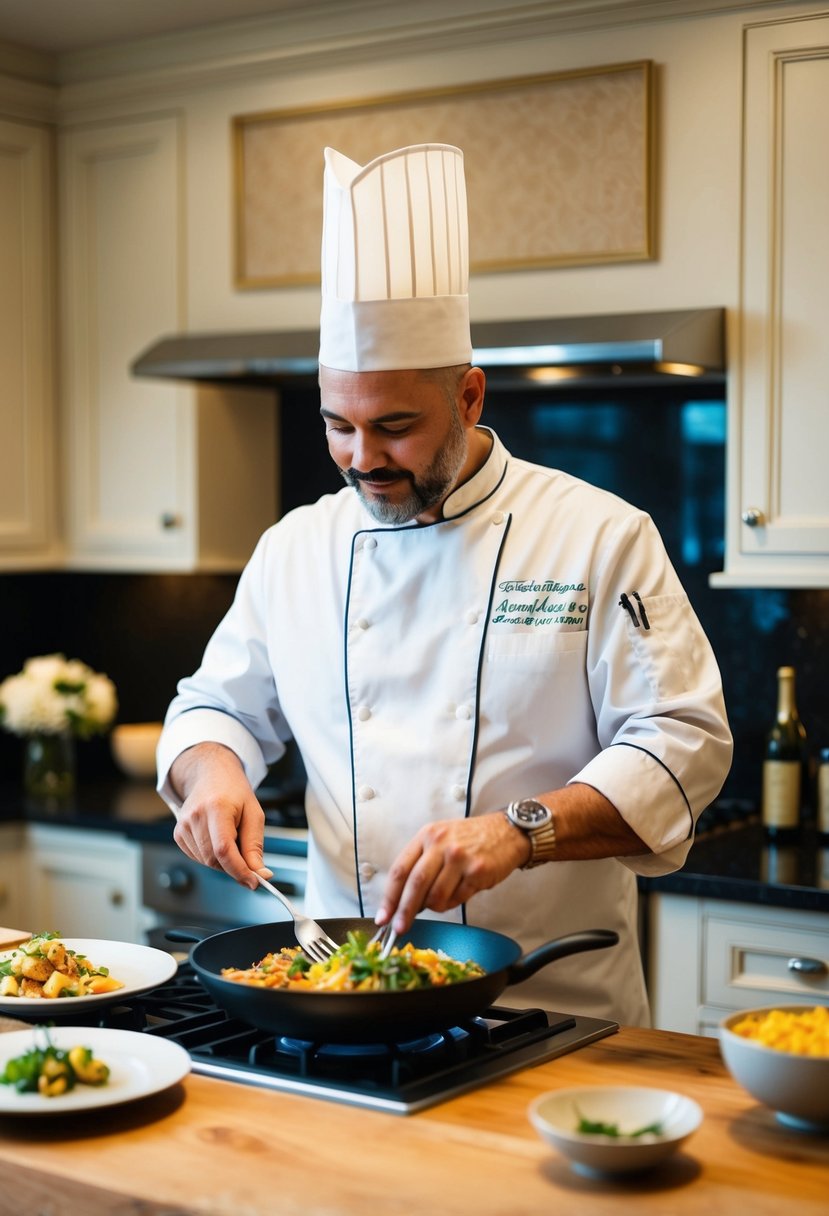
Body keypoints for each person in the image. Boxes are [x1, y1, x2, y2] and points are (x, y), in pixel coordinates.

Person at [157, 144, 732, 1026]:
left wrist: (518, 832)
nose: (362, 459)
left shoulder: (596, 535)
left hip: (552, 1010)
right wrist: (211, 775)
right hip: (343, 1000)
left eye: (394, 426)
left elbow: (684, 744)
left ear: (468, 397)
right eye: (337, 426)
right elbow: (217, 708)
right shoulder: (296, 548)